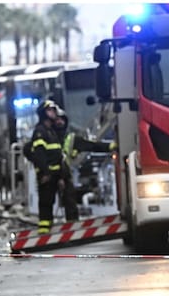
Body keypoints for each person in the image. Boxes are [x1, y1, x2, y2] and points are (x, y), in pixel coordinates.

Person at [28, 99, 112, 235]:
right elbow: (36, 153)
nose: (58, 120)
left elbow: (89, 145)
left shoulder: (54, 134)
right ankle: (44, 231)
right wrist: (44, 172)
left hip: (61, 174)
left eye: (61, 118)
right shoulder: (41, 132)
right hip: (48, 175)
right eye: (51, 111)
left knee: (69, 201)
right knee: (46, 203)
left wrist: (61, 176)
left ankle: (72, 228)